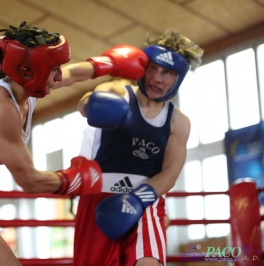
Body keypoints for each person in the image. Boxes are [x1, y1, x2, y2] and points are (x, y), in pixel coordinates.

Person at [0, 21, 147, 266]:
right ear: (29, 71)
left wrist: (110, 64)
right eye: (54, 69)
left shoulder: (25, 87)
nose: (59, 76)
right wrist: (76, 179)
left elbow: (73, 74)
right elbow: (29, 180)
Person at [74, 29, 204, 266]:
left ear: (178, 79)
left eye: (167, 73)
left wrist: (136, 199)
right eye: (153, 68)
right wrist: (91, 105)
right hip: (97, 199)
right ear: (143, 68)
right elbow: (86, 103)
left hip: (145, 200)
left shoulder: (178, 122)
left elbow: (170, 173)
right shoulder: (117, 91)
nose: (157, 78)